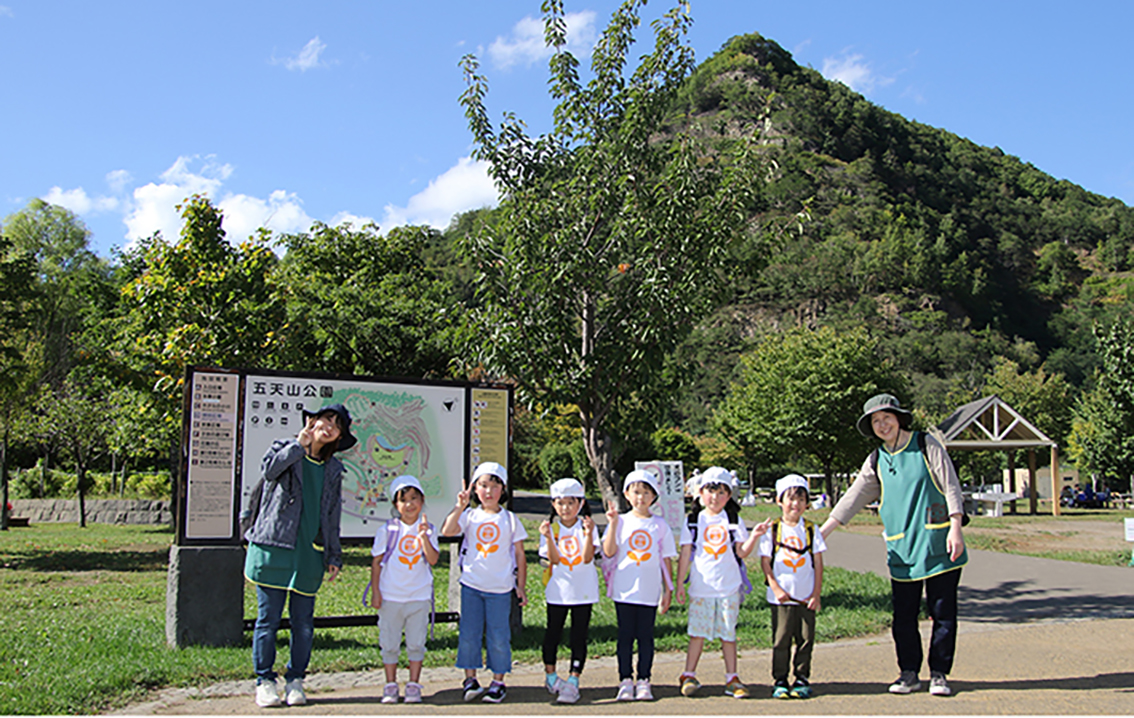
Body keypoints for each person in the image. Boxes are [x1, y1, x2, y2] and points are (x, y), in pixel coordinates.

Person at [820, 393, 967, 697]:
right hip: (902, 549)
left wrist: (956, 527)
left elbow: (950, 484)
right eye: (875, 421)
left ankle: (939, 673)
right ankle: (909, 673)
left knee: (943, 612)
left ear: (899, 418)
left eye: (886, 417)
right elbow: (854, 496)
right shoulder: (877, 459)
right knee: (903, 615)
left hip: (939, 542)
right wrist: (823, 533)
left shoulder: (927, 445)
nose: (882, 424)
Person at [243, 403, 356, 708]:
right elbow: (269, 471)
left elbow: (332, 515)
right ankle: (264, 680)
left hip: (309, 552)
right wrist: (299, 444)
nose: (330, 426)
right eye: (326, 419)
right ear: (313, 421)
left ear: (338, 437)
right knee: (267, 620)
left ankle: (296, 680)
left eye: (337, 425)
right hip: (274, 546)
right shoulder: (286, 448)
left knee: (303, 623)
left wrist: (334, 554)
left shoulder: (333, 469)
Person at [675, 466, 766, 699]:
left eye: (721, 492)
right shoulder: (694, 520)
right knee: (697, 633)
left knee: (728, 634)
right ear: (700, 493)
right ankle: (688, 674)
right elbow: (685, 554)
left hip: (729, 586)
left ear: (729, 495)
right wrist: (678, 585)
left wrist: (754, 536)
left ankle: (731, 678)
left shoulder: (734, 519)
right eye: (710, 491)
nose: (714, 498)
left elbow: (742, 552)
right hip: (700, 587)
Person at [441, 461, 527, 704]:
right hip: (471, 586)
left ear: (504, 490)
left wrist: (520, 586)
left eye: (494, 486)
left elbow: (520, 554)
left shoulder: (510, 519)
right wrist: (459, 507)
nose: (489, 491)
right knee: (469, 633)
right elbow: (448, 531)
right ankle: (470, 680)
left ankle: (498, 682)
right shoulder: (469, 516)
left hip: (500, 588)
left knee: (499, 636)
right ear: (475, 490)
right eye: (483, 485)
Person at [601, 469, 677, 702]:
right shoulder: (621, 521)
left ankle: (644, 680)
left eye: (646, 493)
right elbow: (609, 551)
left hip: (649, 591)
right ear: (626, 494)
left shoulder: (660, 525)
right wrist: (613, 524)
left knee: (645, 637)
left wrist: (668, 590)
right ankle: (625, 680)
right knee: (625, 637)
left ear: (654, 496)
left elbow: (666, 559)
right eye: (636, 492)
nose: (640, 498)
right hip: (624, 590)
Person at [369, 474, 440, 704]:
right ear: (395, 505)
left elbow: (433, 560)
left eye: (414, 498)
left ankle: (413, 684)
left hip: (418, 596)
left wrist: (423, 538)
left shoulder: (429, 529)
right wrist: (376, 592)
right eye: (403, 500)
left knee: (416, 642)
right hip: (391, 596)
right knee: (389, 642)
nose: (409, 504)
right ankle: (390, 684)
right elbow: (377, 563)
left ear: (422, 500)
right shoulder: (387, 530)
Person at [759, 474, 827, 699]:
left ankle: (802, 678)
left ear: (807, 503)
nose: (795, 504)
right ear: (779, 501)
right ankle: (780, 679)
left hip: (806, 596)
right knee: (781, 639)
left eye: (801, 499)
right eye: (790, 498)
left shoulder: (811, 529)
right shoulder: (772, 530)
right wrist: (775, 588)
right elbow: (765, 562)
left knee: (806, 638)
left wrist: (816, 594)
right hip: (781, 597)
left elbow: (818, 563)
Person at [538, 478, 600, 704]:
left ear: (581, 503)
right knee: (553, 632)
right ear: (554, 505)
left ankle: (574, 679)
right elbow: (553, 559)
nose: (565, 508)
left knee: (578, 635)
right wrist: (547, 537)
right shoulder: (551, 529)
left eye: (570, 503)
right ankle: (551, 675)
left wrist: (589, 534)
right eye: (560, 503)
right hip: (558, 590)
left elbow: (586, 558)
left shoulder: (587, 527)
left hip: (583, 590)